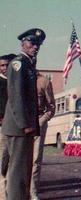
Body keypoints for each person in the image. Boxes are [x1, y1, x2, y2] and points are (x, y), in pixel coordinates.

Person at [1, 28, 45, 200]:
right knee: (18, 171)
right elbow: (16, 96)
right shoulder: (18, 64)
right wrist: (25, 124)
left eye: (38, 44)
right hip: (19, 127)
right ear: (23, 43)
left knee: (24, 170)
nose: (36, 47)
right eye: (32, 43)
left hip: (25, 127)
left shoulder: (28, 64)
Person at [30, 72, 55, 199]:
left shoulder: (43, 81)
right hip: (20, 123)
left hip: (38, 121)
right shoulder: (17, 78)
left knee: (35, 159)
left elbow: (51, 108)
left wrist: (41, 121)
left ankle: (33, 192)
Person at [0, 54, 16, 200]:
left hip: (16, 129)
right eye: (2, 65)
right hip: (2, 128)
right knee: (1, 162)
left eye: (7, 65)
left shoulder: (16, 80)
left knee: (13, 163)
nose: (5, 68)